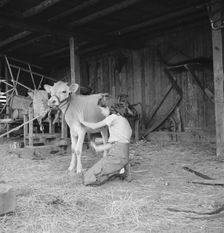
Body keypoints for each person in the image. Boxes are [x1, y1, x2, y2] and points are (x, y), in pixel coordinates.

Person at [80, 94, 132, 186]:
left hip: (117, 155)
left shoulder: (112, 117)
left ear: (108, 107)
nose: (101, 112)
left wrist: (82, 121)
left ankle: (116, 170)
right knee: (103, 167)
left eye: (102, 109)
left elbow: (94, 126)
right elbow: (117, 143)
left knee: (88, 177)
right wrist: (98, 147)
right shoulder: (122, 119)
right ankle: (121, 171)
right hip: (124, 155)